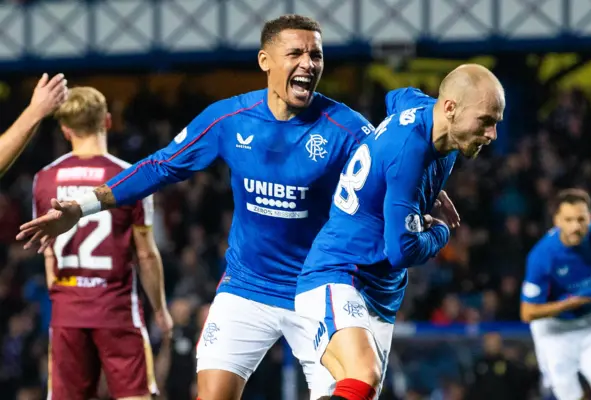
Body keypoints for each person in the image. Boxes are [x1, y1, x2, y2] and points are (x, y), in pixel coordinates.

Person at [17, 14, 373, 400]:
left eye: (316, 55)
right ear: (265, 60)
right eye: (296, 53)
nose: (308, 63)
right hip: (246, 288)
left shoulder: (346, 127)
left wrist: (425, 194)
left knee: (349, 392)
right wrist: (82, 207)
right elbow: (161, 166)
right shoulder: (229, 118)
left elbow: (390, 168)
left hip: (316, 289)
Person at [295, 64, 505, 400]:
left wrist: (412, 186)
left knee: (351, 391)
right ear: (450, 108)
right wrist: (441, 233)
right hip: (340, 274)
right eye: (485, 121)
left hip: (380, 294)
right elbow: (402, 250)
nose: (492, 134)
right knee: (363, 376)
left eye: (495, 123)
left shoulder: (422, 111)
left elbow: (396, 96)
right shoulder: (409, 152)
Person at [32, 87, 172, 400]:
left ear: (65, 130)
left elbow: (47, 251)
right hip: (116, 310)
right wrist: (161, 310)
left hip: (68, 312)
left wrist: (63, 296)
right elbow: (147, 254)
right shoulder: (128, 177)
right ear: (107, 121)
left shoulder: (43, 178)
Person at [520, 188, 591, 400]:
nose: (576, 226)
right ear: (557, 221)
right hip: (555, 332)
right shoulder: (542, 257)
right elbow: (527, 313)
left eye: (581, 219)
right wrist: (573, 302)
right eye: (568, 219)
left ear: (590, 218)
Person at [0, 73, 68, 177]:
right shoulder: (102, 167)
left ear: (67, 130)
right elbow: (98, 193)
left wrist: (36, 111)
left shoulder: (45, 181)